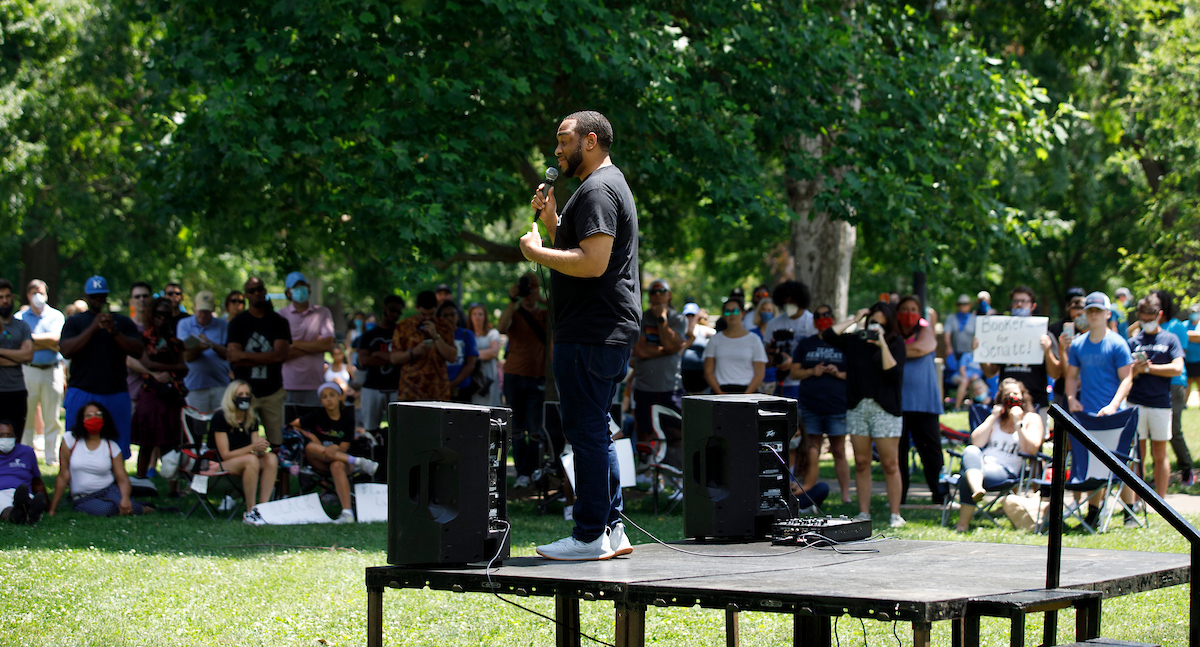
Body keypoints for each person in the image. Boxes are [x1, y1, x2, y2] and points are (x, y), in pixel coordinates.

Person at [523, 110, 641, 560]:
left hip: (591, 330)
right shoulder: (605, 186)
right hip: (603, 328)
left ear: (590, 141)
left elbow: (592, 264)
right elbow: (592, 254)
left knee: (585, 431)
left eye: (563, 140)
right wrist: (554, 223)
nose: (556, 150)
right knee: (596, 429)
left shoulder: (596, 189)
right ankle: (611, 529)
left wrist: (537, 250)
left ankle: (589, 534)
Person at [821, 302, 907, 528]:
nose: (876, 326)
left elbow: (893, 374)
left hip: (885, 409)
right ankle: (863, 512)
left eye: (881, 322)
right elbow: (828, 335)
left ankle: (895, 514)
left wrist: (882, 345)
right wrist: (855, 318)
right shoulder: (854, 340)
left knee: (890, 463)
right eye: (872, 322)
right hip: (858, 407)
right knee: (861, 462)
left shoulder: (896, 343)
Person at [1065, 292, 1136, 527]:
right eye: (1090, 311)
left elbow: (1127, 379)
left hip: (1115, 416)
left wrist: (1113, 405)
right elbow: (1071, 375)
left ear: (1107, 314)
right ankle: (1093, 512)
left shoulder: (1118, 343)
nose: (1093, 315)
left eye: (1098, 311)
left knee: (1120, 463)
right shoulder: (1077, 345)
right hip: (1087, 415)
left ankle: (1129, 512)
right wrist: (1071, 398)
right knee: (1093, 463)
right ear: (1085, 314)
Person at [59, 276, 145, 458]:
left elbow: (138, 350)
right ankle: (76, 484)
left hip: (115, 391)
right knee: (76, 443)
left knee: (117, 446)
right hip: (82, 390)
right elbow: (66, 350)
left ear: (106, 296)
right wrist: (92, 328)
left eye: (101, 296)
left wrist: (114, 332)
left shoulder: (121, 322)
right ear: (86, 296)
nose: (98, 300)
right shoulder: (75, 322)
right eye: (93, 297)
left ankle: (116, 483)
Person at [953, 378, 1043, 532]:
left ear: (1023, 396)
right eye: (1007, 394)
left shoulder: (1031, 419)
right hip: (983, 463)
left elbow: (1031, 450)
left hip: (1006, 470)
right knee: (970, 450)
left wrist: (1018, 423)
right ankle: (977, 489)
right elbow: (975, 441)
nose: (1011, 397)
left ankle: (963, 524)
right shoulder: (996, 418)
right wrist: (993, 416)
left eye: (1015, 393)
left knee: (966, 476)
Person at [48, 403, 164, 517]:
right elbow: (63, 475)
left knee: (126, 505)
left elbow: (122, 478)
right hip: (83, 496)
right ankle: (139, 507)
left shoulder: (111, 446)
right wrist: (53, 509)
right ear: (81, 420)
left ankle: (146, 508)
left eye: (98, 414)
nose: (94, 418)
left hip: (108, 489)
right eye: (89, 415)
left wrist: (125, 498)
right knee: (107, 509)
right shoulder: (70, 440)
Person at [789, 304, 851, 503]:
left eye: (826, 315)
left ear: (833, 317)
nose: (822, 318)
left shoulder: (844, 343)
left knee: (839, 451)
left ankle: (846, 496)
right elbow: (794, 372)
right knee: (811, 450)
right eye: (818, 315)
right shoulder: (806, 344)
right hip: (811, 406)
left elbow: (857, 374)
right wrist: (811, 372)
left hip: (837, 406)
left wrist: (838, 373)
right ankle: (808, 492)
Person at [290, 382, 377, 523]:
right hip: (319, 461)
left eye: (332, 395)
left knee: (336, 464)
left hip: (340, 462)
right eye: (324, 397)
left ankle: (347, 513)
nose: (329, 399)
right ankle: (358, 461)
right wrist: (310, 435)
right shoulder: (316, 415)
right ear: (321, 400)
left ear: (340, 397)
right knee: (310, 447)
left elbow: (343, 447)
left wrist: (332, 450)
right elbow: (292, 425)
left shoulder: (348, 416)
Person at [1124, 294, 1184, 498]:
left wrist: (1150, 369)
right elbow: (1124, 374)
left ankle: (1161, 500)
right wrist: (1136, 371)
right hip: (1135, 403)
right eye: (1143, 319)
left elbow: (1177, 368)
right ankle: (1138, 499)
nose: (1147, 323)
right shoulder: (1133, 341)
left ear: (1159, 315)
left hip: (1160, 403)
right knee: (1138, 455)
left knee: (1160, 454)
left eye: (1151, 319)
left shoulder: (1170, 339)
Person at [979, 286, 1060, 431]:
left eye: (1024, 301)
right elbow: (990, 372)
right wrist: (980, 352)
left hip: (1036, 402)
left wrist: (1047, 351)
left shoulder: (1044, 334)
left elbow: (1055, 374)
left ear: (1032, 305)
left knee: (1033, 447)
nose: (1019, 305)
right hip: (1006, 401)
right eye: (1016, 301)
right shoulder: (1001, 334)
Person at [496, 273, 549, 488]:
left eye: (533, 288)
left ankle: (535, 470)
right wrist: (512, 300)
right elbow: (500, 327)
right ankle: (522, 474)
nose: (529, 294)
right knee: (516, 429)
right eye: (526, 289)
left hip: (538, 377)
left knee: (536, 430)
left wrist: (541, 298)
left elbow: (561, 313)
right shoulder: (515, 313)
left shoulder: (545, 314)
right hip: (514, 376)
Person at [226, 277, 292, 446]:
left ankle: (279, 471)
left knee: (278, 441)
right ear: (246, 295)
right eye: (251, 291)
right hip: (245, 392)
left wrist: (244, 355)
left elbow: (280, 356)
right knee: (242, 440)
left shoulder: (279, 322)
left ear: (265, 291)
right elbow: (234, 358)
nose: (256, 293)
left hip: (273, 392)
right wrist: (268, 358)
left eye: (259, 289)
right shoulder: (237, 323)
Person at [131, 297, 189, 484]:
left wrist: (166, 369)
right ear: (151, 315)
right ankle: (141, 480)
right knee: (147, 442)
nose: (162, 319)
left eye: (166, 315)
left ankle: (174, 486)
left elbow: (184, 367)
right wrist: (167, 369)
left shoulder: (174, 341)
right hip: (151, 395)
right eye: (158, 315)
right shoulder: (143, 338)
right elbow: (145, 362)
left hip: (172, 396)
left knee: (173, 442)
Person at [209, 380, 279, 526]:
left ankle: (263, 509)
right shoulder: (220, 417)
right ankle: (250, 511)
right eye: (240, 394)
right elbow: (225, 454)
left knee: (271, 458)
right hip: (220, 463)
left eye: (247, 394)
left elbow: (255, 450)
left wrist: (261, 447)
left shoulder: (251, 419)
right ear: (231, 397)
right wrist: (252, 447)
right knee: (250, 460)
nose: (244, 397)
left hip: (247, 461)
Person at [895, 295, 944, 505]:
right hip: (897, 405)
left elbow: (921, 347)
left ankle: (940, 495)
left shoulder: (925, 330)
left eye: (914, 308)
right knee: (898, 455)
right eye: (904, 309)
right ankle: (899, 497)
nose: (909, 313)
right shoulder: (892, 332)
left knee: (931, 453)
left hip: (925, 404)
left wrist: (893, 351)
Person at [631, 279, 687, 445]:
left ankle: (674, 469)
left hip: (671, 387)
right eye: (653, 292)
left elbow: (669, 342)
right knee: (645, 434)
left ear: (669, 295)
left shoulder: (678, 319)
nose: (657, 295)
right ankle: (646, 469)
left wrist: (662, 318)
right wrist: (668, 350)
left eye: (662, 291)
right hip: (644, 388)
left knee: (677, 432)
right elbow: (640, 351)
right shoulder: (640, 318)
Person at [20, 278, 65, 465]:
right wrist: (46, 343)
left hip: (51, 371)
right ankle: (26, 456)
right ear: (28, 295)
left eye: (41, 292)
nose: (38, 296)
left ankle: (51, 457)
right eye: (34, 293)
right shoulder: (19, 318)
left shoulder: (56, 316)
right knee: (27, 416)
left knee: (52, 417)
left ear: (46, 294)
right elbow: (21, 346)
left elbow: (57, 340)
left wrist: (31, 341)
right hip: (28, 371)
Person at [388, 290, 456, 402]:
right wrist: (413, 352)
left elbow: (452, 357)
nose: (427, 318)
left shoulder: (445, 326)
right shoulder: (403, 326)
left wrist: (436, 336)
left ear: (437, 307)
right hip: (410, 391)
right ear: (416, 308)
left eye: (431, 314)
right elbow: (394, 358)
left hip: (438, 391)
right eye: (424, 314)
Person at [280, 271, 335, 407]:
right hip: (288, 385)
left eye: (302, 286)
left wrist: (294, 344)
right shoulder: (280, 316)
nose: (300, 290)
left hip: (315, 384)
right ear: (288, 292)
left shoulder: (322, 312)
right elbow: (281, 354)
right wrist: (315, 345)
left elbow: (327, 345)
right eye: (296, 287)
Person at [178, 290, 231, 413]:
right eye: (200, 310)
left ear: (212, 309)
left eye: (206, 311)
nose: (203, 314)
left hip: (220, 384)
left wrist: (211, 344)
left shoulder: (223, 325)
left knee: (220, 424)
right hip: (194, 385)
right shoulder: (184, 324)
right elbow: (185, 356)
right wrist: (199, 347)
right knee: (197, 427)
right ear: (195, 307)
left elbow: (228, 354)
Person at [762, 280, 816, 400]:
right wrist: (774, 357)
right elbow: (767, 358)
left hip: (804, 383)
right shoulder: (773, 324)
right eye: (785, 301)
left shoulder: (812, 322)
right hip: (780, 382)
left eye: (792, 301)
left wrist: (794, 363)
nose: (788, 304)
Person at [357, 296, 404, 434]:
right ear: (384, 308)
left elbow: (406, 358)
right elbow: (363, 361)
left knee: (398, 431)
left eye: (398, 311)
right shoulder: (369, 335)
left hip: (397, 388)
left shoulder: (402, 334)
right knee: (370, 429)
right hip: (372, 387)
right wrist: (393, 358)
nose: (394, 314)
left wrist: (377, 354)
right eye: (392, 310)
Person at [703, 301, 767, 395]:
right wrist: (719, 393)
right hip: (721, 392)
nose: (732, 314)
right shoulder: (714, 340)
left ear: (743, 313)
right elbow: (708, 372)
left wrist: (746, 395)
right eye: (727, 311)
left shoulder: (754, 340)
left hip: (747, 392)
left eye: (736, 311)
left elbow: (760, 373)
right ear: (723, 315)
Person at [0, 279, 34, 437]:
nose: (5, 301)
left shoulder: (22, 326)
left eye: (7, 296)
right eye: (0, 297)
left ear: (13, 297)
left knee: (15, 437)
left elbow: (28, 355)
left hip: (17, 390)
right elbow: (22, 356)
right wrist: (17, 356)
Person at [1, 419, 47, 524]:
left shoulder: (27, 452)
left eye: (9, 435)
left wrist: (50, 508)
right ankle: (20, 514)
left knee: (26, 497)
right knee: (3, 506)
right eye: (2, 435)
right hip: (0, 492)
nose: (5, 438)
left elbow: (37, 481)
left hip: (23, 492)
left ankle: (25, 509)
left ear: (16, 436)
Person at [1050, 294, 1087, 410]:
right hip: (1068, 395)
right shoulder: (1074, 342)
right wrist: (1062, 349)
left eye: (1080, 315)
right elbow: (1068, 374)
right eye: (1074, 317)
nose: (1077, 320)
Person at [436, 300, 478, 403]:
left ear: (458, 316)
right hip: (438, 389)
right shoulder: (435, 335)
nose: (449, 318)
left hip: (462, 389)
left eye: (452, 314)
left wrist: (453, 383)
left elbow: (471, 363)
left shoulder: (466, 335)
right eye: (445, 315)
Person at [124, 281, 154, 414]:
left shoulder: (159, 326)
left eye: (145, 296)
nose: (141, 300)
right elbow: (127, 359)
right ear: (131, 301)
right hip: (131, 394)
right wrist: (153, 373)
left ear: (151, 299)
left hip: (156, 394)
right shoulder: (124, 327)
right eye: (137, 297)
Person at [467, 303, 502, 408]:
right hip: (472, 377)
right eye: (474, 314)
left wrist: (471, 355)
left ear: (485, 317)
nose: (477, 317)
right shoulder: (467, 334)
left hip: (488, 376)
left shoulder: (492, 333)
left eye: (480, 314)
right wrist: (483, 354)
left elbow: (493, 352)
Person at [943, 294, 977, 361]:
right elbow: (947, 333)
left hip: (970, 354)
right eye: (960, 304)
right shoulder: (951, 318)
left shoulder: (974, 319)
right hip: (955, 353)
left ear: (969, 306)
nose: (962, 306)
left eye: (965, 304)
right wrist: (948, 346)